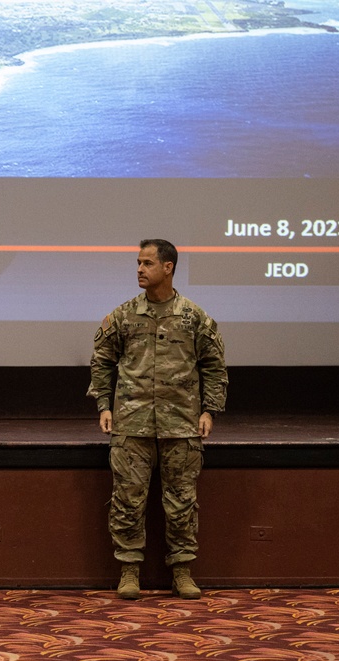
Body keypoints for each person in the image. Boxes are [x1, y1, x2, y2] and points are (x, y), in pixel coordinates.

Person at [88, 239, 228, 601]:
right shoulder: (122, 316)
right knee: (127, 500)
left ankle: (182, 571)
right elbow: (102, 361)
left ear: (168, 267)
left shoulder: (194, 317)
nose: (139, 269)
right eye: (138, 262)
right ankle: (129, 570)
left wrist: (209, 410)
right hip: (131, 423)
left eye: (147, 263)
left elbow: (214, 366)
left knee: (181, 501)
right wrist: (104, 405)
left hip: (181, 424)